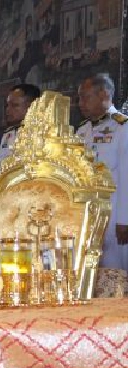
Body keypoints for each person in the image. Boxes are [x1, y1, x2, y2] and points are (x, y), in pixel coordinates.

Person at [75, 72, 128, 271]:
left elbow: (126, 176)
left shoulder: (123, 127)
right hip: (88, 217)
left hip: (114, 218)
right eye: (79, 97)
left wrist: (125, 220)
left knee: (117, 275)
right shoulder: (82, 130)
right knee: (91, 276)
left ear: (104, 95)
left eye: (85, 97)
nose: (80, 103)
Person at [0, 83, 41, 164]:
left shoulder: (42, 135)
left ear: (31, 106)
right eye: (7, 105)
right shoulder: (8, 135)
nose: (8, 109)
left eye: (14, 105)